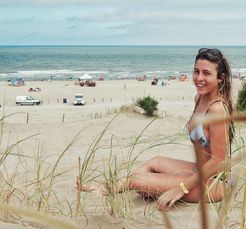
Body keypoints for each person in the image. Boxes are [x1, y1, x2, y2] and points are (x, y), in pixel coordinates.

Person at [77, 48, 235, 211]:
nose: (199, 78)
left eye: (206, 73)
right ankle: (123, 187)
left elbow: (219, 162)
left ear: (220, 78)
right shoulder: (199, 98)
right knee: (155, 162)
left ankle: (107, 190)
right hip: (198, 171)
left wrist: (180, 189)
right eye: (196, 71)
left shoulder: (217, 110)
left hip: (217, 182)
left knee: (137, 182)